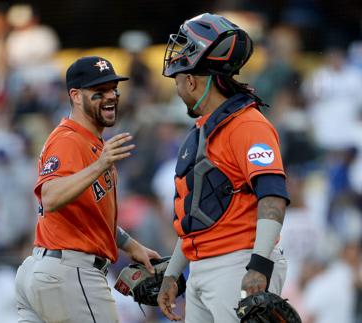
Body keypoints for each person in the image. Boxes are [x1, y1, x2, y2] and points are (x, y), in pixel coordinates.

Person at [157, 13, 289, 322]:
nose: (177, 89)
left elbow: (273, 197)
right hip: (202, 268)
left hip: (239, 264)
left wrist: (258, 267)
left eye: (177, 80)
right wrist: (173, 274)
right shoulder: (202, 130)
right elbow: (196, 217)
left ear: (191, 80)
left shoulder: (248, 124)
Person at [15, 56, 161, 323]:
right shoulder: (70, 140)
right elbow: (50, 197)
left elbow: (88, 213)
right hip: (71, 273)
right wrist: (101, 164)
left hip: (48, 272)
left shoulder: (88, 142)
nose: (110, 96)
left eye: (113, 89)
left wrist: (132, 246)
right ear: (76, 96)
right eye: (99, 91)